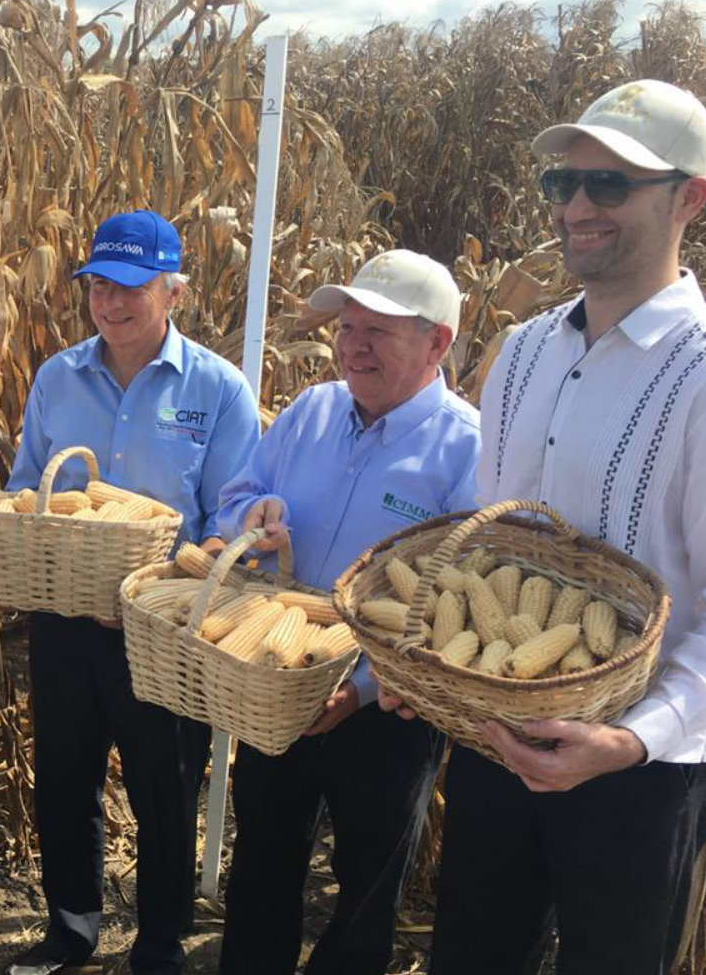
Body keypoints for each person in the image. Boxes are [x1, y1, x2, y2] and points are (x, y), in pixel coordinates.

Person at [379, 79, 706, 975]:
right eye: (562, 184)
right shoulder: (523, 350)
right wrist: (435, 656)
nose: (575, 206)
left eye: (610, 185)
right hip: (496, 739)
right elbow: (485, 549)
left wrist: (633, 738)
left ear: (691, 197)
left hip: (639, 768)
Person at [3, 211, 260, 975]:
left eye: (132, 288)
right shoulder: (57, 377)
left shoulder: (217, 389)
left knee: (165, 787)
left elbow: (236, 511)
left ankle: (159, 941)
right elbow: (26, 485)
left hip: (163, 626)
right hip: (65, 613)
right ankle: (72, 925)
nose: (112, 304)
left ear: (173, 290)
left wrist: (189, 562)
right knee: (64, 777)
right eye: (98, 287)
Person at [213, 249, 478, 975]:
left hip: (389, 710)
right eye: (347, 327)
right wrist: (251, 514)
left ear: (438, 344)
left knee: (367, 886)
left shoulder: (468, 450)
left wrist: (359, 688)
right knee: (262, 855)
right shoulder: (311, 411)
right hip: (279, 679)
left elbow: (461, 609)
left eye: (377, 332)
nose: (351, 346)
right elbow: (238, 496)